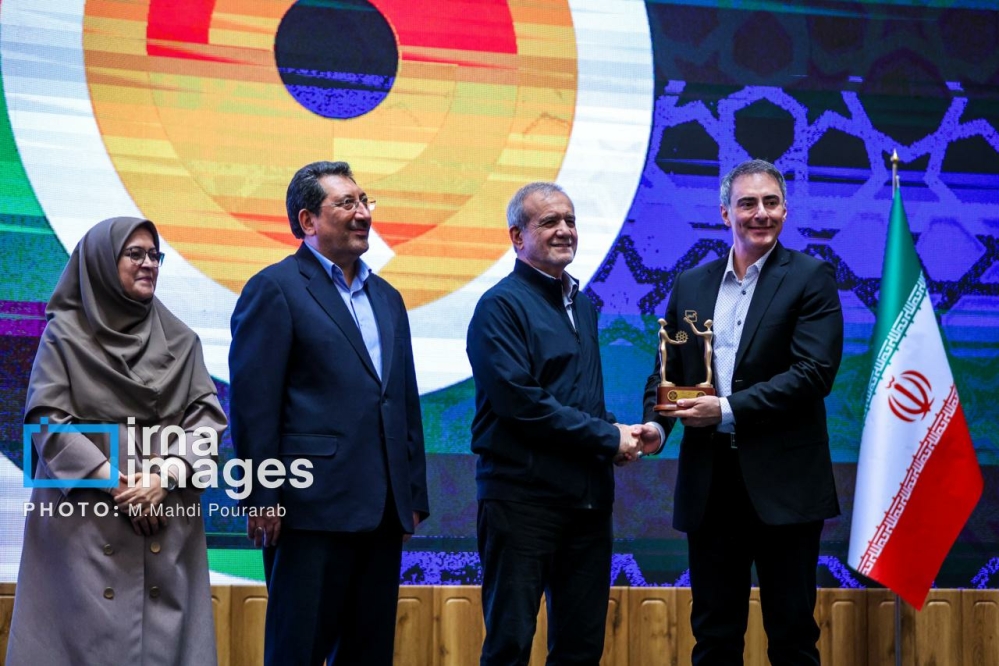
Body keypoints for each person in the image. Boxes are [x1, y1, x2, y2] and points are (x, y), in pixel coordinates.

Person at [641, 159, 844, 665]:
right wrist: (656, 427)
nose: (760, 213)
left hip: (785, 485)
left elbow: (813, 374)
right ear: (724, 213)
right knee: (714, 637)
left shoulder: (811, 277)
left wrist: (727, 409)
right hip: (711, 485)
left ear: (785, 210)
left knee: (793, 637)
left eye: (771, 202)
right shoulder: (691, 284)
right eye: (747, 203)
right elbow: (668, 372)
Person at [229, 160, 429, 666]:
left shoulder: (388, 297)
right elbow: (254, 405)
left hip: (382, 511)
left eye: (364, 201)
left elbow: (402, 400)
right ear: (308, 220)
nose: (363, 213)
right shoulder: (275, 287)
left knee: (368, 653)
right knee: (298, 649)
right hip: (307, 509)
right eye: (346, 204)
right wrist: (261, 495)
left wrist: (411, 494)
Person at [7, 217, 225, 665]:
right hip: (82, 532)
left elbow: (206, 421)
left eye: (155, 255)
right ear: (103, 263)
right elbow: (47, 422)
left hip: (163, 522)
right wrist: (120, 486)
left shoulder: (182, 339)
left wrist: (163, 477)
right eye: (135, 254)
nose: (149, 264)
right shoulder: (64, 336)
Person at [466, 182, 649, 666]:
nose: (565, 230)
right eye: (549, 222)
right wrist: (608, 437)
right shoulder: (499, 306)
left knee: (580, 650)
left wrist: (627, 433)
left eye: (570, 220)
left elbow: (578, 400)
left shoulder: (582, 305)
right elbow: (522, 405)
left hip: (588, 505)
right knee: (509, 646)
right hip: (521, 503)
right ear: (517, 236)